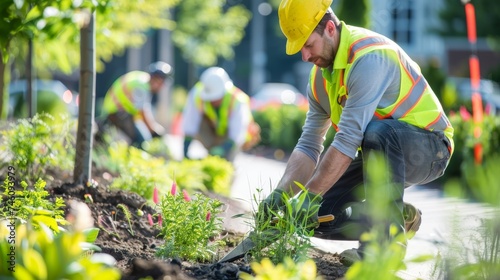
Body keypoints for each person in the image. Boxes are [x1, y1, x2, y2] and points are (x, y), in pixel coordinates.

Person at [259, 0, 454, 261]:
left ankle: (382, 250)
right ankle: (397, 218)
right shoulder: (320, 79)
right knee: (319, 215)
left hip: (430, 149)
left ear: (330, 28)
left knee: (378, 133)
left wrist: (309, 194)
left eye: (307, 45)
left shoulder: (370, 57)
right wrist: (283, 194)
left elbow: (349, 138)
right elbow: (309, 144)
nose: (304, 56)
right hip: (382, 148)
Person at [181, 67, 259, 162]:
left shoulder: (237, 100)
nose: (213, 100)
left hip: (233, 137)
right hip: (213, 131)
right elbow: (190, 122)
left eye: (216, 98)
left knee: (227, 161)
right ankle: (212, 153)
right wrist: (185, 151)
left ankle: (226, 158)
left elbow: (237, 133)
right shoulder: (197, 94)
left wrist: (223, 149)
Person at [98, 61, 173, 148]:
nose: (162, 86)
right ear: (157, 79)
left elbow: (143, 110)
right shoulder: (141, 86)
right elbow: (142, 112)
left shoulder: (141, 79)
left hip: (118, 112)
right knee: (142, 141)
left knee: (137, 139)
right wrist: (154, 130)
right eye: (162, 83)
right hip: (118, 112)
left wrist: (152, 127)